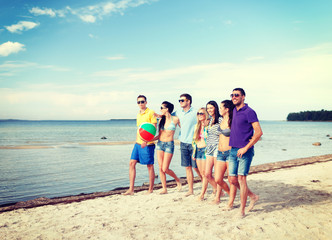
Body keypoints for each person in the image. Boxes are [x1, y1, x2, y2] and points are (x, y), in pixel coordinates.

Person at [228, 88, 263, 217]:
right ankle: (253, 196)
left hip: (245, 151)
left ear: (243, 97)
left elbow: (258, 132)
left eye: (236, 95)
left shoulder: (250, 112)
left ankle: (241, 211)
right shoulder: (233, 110)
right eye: (232, 95)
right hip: (233, 150)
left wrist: (246, 147)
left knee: (241, 179)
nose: (234, 97)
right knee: (232, 179)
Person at [123, 95, 157, 195]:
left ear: (146, 102)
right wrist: (138, 140)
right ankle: (131, 190)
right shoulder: (138, 114)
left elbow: (153, 129)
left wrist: (146, 141)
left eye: (142, 102)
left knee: (149, 166)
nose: (141, 104)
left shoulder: (151, 112)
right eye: (139, 102)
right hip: (137, 143)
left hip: (147, 144)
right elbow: (140, 129)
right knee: (131, 163)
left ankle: (150, 189)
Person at [153, 101, 182, 194]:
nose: (160, 110)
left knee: (165, 168)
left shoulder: (176, 119)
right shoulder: (161, 120)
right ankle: (164, 188)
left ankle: (177, 179)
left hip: (169, 145)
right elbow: (160, 134)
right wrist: (150, 139)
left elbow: (184, 129)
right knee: (161, 168)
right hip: (160, 144)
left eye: (162, 108)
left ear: (167, 109)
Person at [176, 93, 202, 196]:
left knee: (196, 168)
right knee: (187, 167)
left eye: (182, 100)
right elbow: (167, 115)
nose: (180, 102)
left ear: (188, 101)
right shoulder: (178, 112)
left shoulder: (196, 112)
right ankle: (190, 190)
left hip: (193, 143)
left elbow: (203, 122)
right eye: (180, 100)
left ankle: (207, 183)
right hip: (183, 143)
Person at [198, 101, 220, 201]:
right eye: (208, 109)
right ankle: (219, 190)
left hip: (217, 148)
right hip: (209, 149)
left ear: (215, 108)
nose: (209, 110)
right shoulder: (210, 120)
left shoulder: (220, 120)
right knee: (207, 174)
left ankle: (218, 196)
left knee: (217, 174)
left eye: (211, 108)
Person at [214, 100, 235, 207]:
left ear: (227, 109)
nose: (219, 109)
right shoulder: (221, 120)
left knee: (231, 180)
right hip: (220, 153)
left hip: (230, 153)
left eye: (221, 107)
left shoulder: (233, 121)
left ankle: (231, 202)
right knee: (218, 179)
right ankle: (231, 195)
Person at [192, 107, 208, 198]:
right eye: (198, 113)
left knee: (206, 173)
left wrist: (206, 126)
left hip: (205, 151)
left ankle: (202, 194)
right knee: (202, 174)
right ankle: (215, 189)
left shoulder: (208, 125)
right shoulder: (196, 126)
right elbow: (194, 141)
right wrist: (194, 153)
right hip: (198, 150)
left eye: (201, 113)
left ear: (205, 114)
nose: (199, 115)